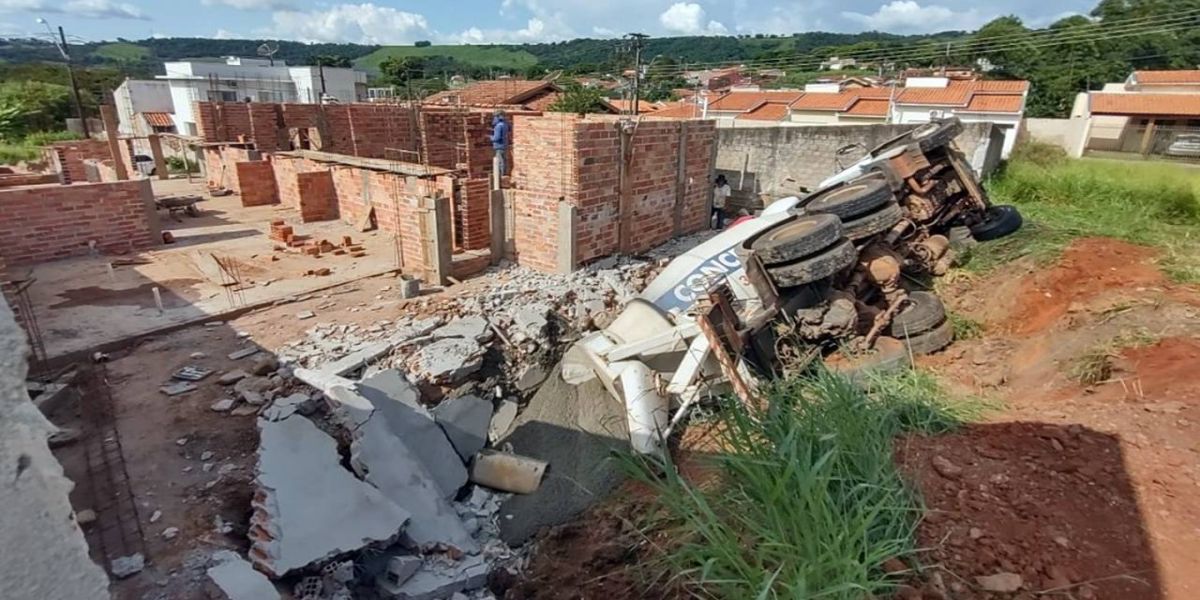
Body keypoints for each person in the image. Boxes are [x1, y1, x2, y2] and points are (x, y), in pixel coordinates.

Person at [491, 110, 510, 177]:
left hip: (499, 146)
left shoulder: (498, 126)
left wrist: (490, 138)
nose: (494, 119)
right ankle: (503, 176)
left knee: (499, 162)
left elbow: (497, 138)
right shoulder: (505, 124)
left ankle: (501, 177)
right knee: (503, 161)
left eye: (494, 117)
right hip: (504, 145)